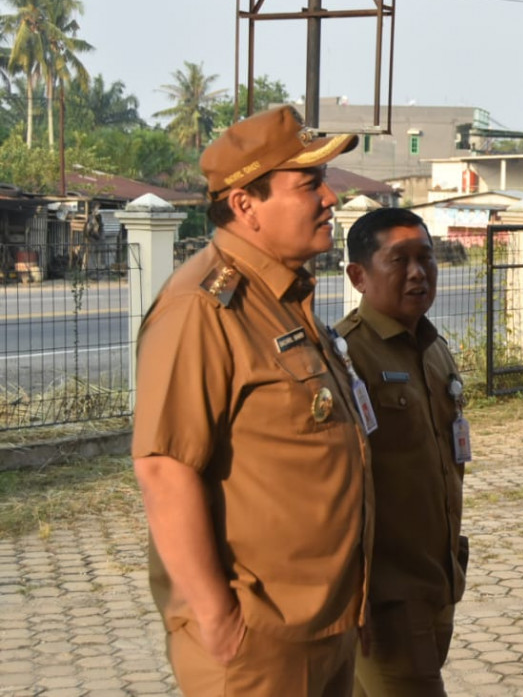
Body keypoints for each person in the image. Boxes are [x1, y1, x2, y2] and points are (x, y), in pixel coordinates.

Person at [131, 106, 373, 697]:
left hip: (324, 623)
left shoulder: (285, 296)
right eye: (310, 184)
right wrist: (219, 620)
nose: (330, 199)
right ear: (246, 204)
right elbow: (165, 468)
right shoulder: (204, 307)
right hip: (259, 642)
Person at [335, 208, 469, 697]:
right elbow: (336, 487)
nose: (418, 273)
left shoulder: (432, 348)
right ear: (358, 275)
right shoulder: (347, 359)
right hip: (385, 599)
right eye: (400, 260)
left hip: (437, 579)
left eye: (426, 259)